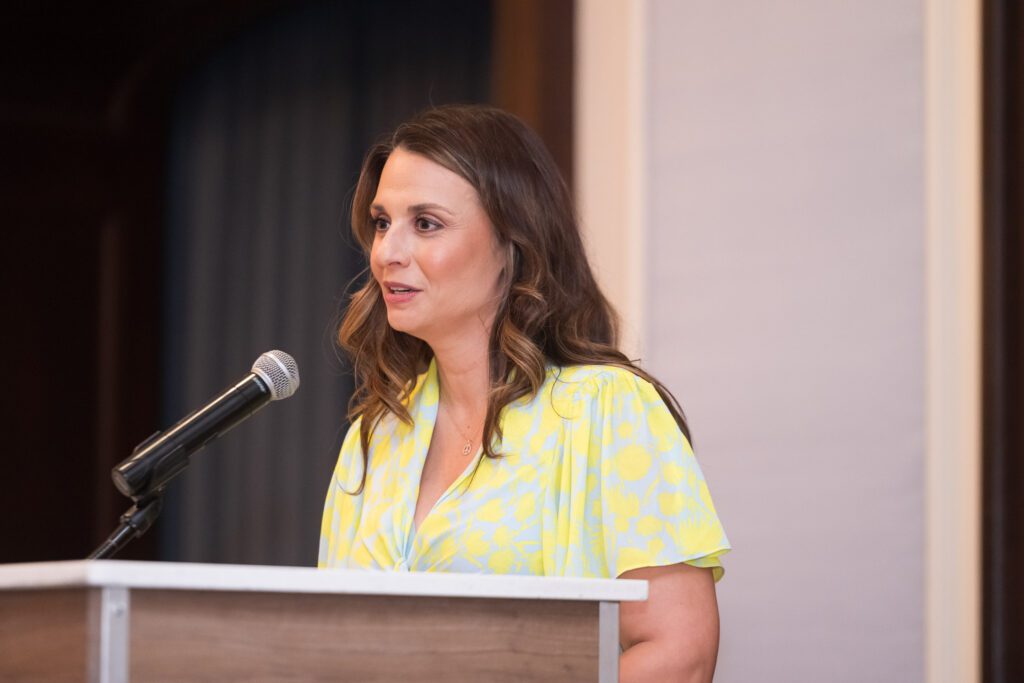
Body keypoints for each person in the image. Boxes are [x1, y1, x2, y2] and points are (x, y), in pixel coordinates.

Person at [319, 104, 730, 681]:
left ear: (515, 241)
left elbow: (677, 656)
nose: (387, 251)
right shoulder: (377, 432)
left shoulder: (608, 411)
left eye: (427, 223)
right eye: (383, 222)